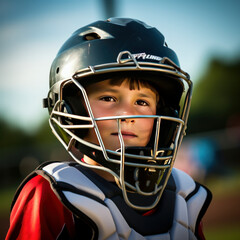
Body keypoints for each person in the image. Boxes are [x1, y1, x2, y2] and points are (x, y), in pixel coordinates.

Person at [6, 18, 212, 240]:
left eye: (142, 102)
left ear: (163, 115)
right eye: (108, 97)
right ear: (72, 107)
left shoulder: (184, 195)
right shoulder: (52, 193)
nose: (127, 115)